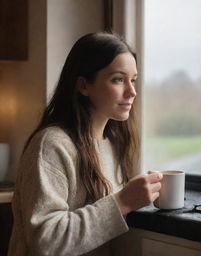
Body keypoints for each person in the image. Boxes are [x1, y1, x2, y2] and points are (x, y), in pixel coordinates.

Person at [8, 32, 163, 256]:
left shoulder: (113, 144)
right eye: (118, 79)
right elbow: (46, 241)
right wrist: (122, 201)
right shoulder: (52, 145)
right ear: (83, 85)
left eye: (133, 79)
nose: (132, 92)